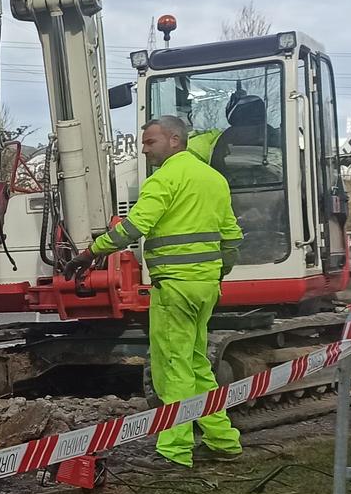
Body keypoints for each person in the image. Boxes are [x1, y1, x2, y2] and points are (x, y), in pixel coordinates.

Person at [80, 115, 244, 467]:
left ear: (174, 140)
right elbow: (231, 237)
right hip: (205, 287)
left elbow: (134, 226)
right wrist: (217, 273)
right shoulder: (214, 179)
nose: (144, 148)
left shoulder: (164, 179)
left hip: (174, 287)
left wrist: (91, 253)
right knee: (198, 364)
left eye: (150, 141)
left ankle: (175, 450)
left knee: (173, 368)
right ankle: (223, 440)